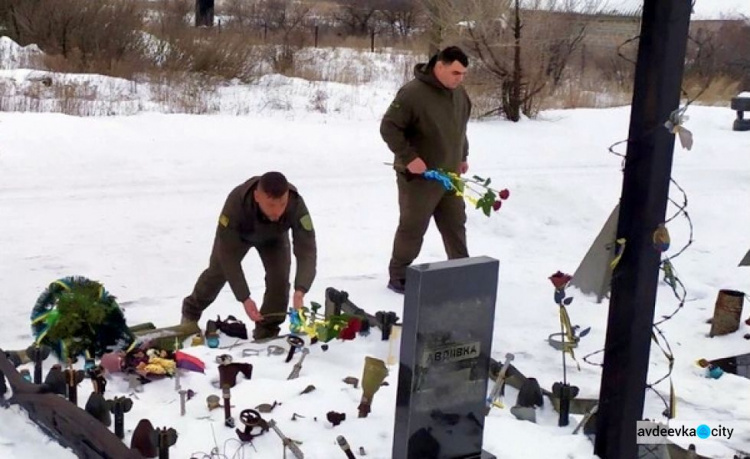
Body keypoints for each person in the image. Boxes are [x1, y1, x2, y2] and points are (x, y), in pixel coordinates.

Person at [380, 45, 472, 294]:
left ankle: (461, 268)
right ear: (439, 66)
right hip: (419, 178)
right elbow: (389, 127)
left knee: (456, 224)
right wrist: (409, 157)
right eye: (455, 72)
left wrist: (462, 155)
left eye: (463, 73)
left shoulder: (460, 94)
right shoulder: (413, 93)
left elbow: (459, 129)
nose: (460, 78)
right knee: (413, 227)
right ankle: (398, 275)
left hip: (450, 176)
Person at [182, 172, 316, 340]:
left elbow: (307, 249)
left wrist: (301, 290)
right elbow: (228, 257)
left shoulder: (296, 204)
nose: (278, 211)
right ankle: (191, 312)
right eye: (271, 205)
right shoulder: (236, 203)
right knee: (218, 272)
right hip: (238, 237)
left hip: (274, 238)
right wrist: (244, 297)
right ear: (257, 196)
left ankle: (266, 331)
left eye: (282, 204)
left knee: (279, 280)